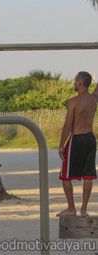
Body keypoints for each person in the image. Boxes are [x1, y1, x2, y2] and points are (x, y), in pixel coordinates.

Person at [57, 71, 97, 217]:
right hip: (91, 139)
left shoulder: (73, 102)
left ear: (80, 83)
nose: (74, 82)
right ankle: (84, 210)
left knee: (65, 176)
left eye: (75, 80)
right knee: (88, 175)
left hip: (77, 139)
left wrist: (61, 145)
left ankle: (71, 208)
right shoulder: (94, 99)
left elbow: (67, 126)